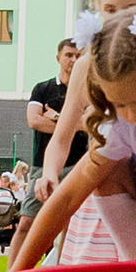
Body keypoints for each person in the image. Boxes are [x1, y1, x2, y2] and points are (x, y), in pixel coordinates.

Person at [8, 18, 136, 272]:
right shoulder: (119, 127)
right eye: (118, 105)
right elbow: (67, 196)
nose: (132, 116)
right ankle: (135, 268)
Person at [28, 40, 79, 181]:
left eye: (78, 56)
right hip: (43, 166)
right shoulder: (42, 88)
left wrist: (56, 116)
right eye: (68, 55)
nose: (74, 60)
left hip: (78, 166)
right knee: (33, 203)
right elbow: (34, 121)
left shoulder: (88, 91)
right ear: (58, 58)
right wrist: (75, 126)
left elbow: (90, 125)